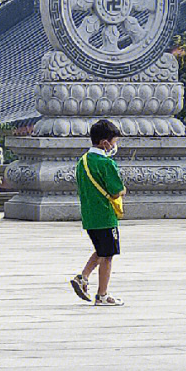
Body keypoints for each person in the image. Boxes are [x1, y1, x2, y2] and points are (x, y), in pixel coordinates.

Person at [70, 119, 126, 307]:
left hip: (89, 216)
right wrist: (122, 190)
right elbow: (116, 190)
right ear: (105, 143)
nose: (114, 145)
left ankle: (83, 277)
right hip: (105, 215)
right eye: (114, 141)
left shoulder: (82, 161)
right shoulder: (106, 163)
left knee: (102, 250)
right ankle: (102, 294)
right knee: (108, 255)